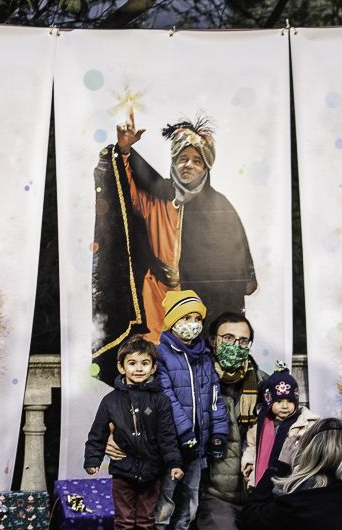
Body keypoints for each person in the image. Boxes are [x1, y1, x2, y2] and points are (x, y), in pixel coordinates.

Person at [90, 110, 257, 374]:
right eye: (182, 159)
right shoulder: (156, 196)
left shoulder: (220, 208)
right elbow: (124, 190)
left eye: (196, 161)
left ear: (206, 167)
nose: (188, 165)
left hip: (199, 308)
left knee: (196, 372)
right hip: (156, 299)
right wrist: (124, 150)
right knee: (157, 371)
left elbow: (233, 264)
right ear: (173, 162)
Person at [84, 336, 184, 530]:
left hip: (151, 471)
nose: (138, 368)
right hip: (123, 471)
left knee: (146, 519)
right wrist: (93, 459)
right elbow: (97, 433)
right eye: (132, 363)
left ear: (153, 367)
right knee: (125, 519)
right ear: (121, 367)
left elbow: (168, 436)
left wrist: (174, 463)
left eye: (144, 363)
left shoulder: (160, 400)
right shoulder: (110, 401)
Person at [152, 289, 229, 530]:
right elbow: (167, 397)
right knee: (166, 500)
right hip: (174, 446)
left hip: (199, 446)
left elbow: (215, 398)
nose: (193, 324)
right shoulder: (160, 355)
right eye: (186, 318)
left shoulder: (204, 356)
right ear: (173, 321)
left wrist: (218, 432)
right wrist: (184, 431)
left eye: (197, 318)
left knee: (190, 500)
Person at [192, 312, 265, 530]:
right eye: (228, 338)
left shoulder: (263, 383)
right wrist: (113, 433)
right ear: (213, 340)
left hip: (256, 495)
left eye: (243, 340)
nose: (236, 345)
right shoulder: (196, 381)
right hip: (216, 496)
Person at [242, 364, 320, 530]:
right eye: (278, 401)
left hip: (293, 479)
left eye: (289, 401)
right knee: (272, 516)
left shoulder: (307, 424)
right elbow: (251, 447)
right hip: (266, 479)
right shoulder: (260, 424)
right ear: (269, 401)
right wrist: (248, 464)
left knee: (292, 517)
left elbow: (312, 452)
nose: (285, 406)